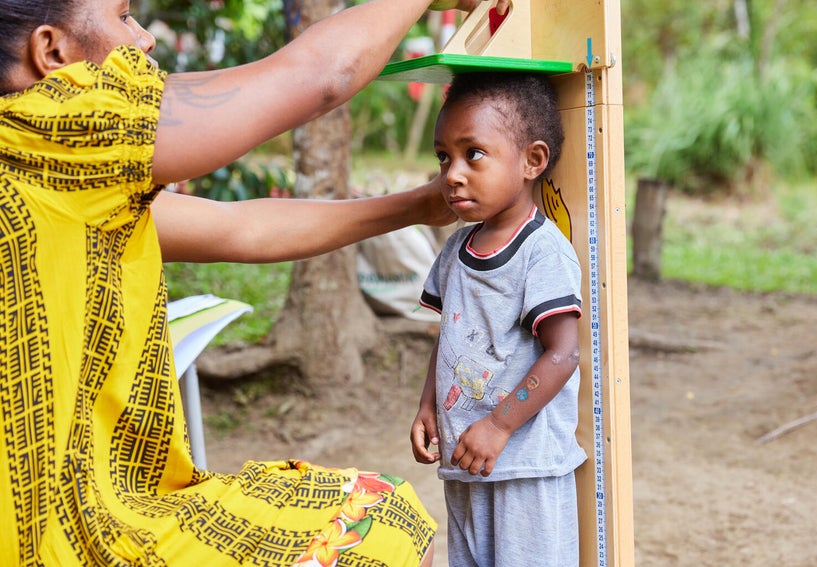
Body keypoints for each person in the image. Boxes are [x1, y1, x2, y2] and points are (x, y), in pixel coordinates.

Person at [0, 0, 511, 565]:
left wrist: (420, 204)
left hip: (75, 508)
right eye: (122, 17)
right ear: (51, 51)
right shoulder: (58, 130)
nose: (144, 39)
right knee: (379, 527)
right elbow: (322, 75)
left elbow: (240, 228)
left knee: (379, 511)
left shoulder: (43, 175)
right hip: (67, 532)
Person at [410, 71, 588, 566]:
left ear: (533, 161)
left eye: (474, 154)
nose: (452, 174)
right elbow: (450, 336)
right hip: (466, 463)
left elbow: (563, 353)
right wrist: (428, 405)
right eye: (443, 157)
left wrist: (498, 426)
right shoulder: (455, 250)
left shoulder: (542, 252)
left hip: (526, 469)